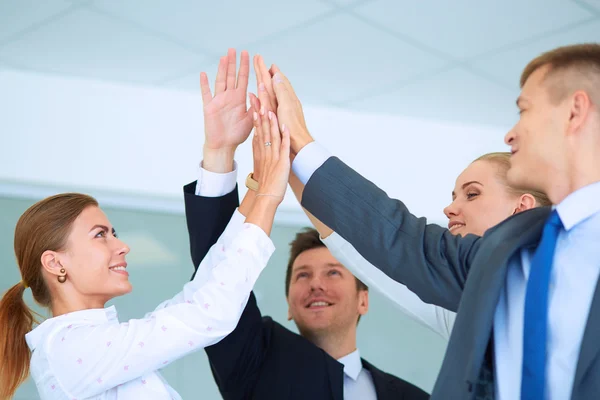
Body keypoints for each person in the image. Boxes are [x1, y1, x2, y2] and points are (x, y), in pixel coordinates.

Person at [267, 43, 600, 400]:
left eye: (525, 110)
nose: (510, 133)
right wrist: (296, 146)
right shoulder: (496, 259)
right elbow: (394, 239)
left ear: (574, 112)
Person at [0, 49, 290, 400]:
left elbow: (202, 293)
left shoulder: (92, 345)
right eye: (100, 235)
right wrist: (270, 196)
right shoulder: (68, 350)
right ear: (55, 262)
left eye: (114, 233)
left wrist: (231, 160)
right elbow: (208, 314)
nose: (121, 246)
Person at [181, 51, 429, 400]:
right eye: (302, 275)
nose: (316, 285)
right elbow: (218, 277)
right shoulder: (254, 358)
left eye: (332, 273)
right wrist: (220, 153)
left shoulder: (415, 398)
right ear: (288, 303)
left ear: (364, 300)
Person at [289, 152, 550, 340]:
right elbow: (355, 248)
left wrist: (301, 146)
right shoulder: (460, 305)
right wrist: (286, 160)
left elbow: (396, 238)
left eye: (472, 194)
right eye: (453, 197)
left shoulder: (563, 281)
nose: (449, 209)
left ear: (522, 207)